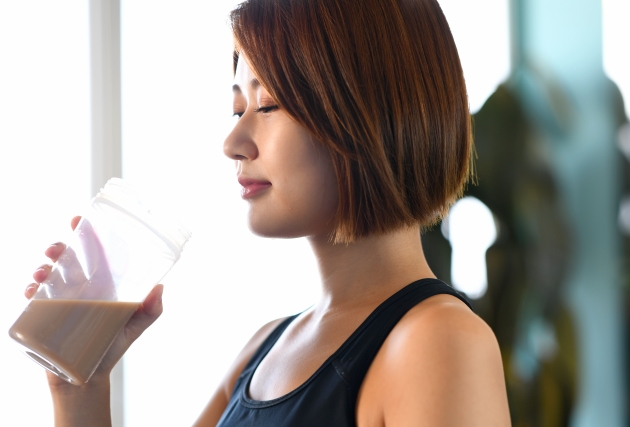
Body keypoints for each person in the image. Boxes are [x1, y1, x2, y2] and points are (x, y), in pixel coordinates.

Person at [26, 0, 511, 425]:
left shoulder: (439, 343)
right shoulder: (260, 354)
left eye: (269, 104)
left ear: (371, 108)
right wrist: (79, 385)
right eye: (238, 110)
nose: (233, 143)